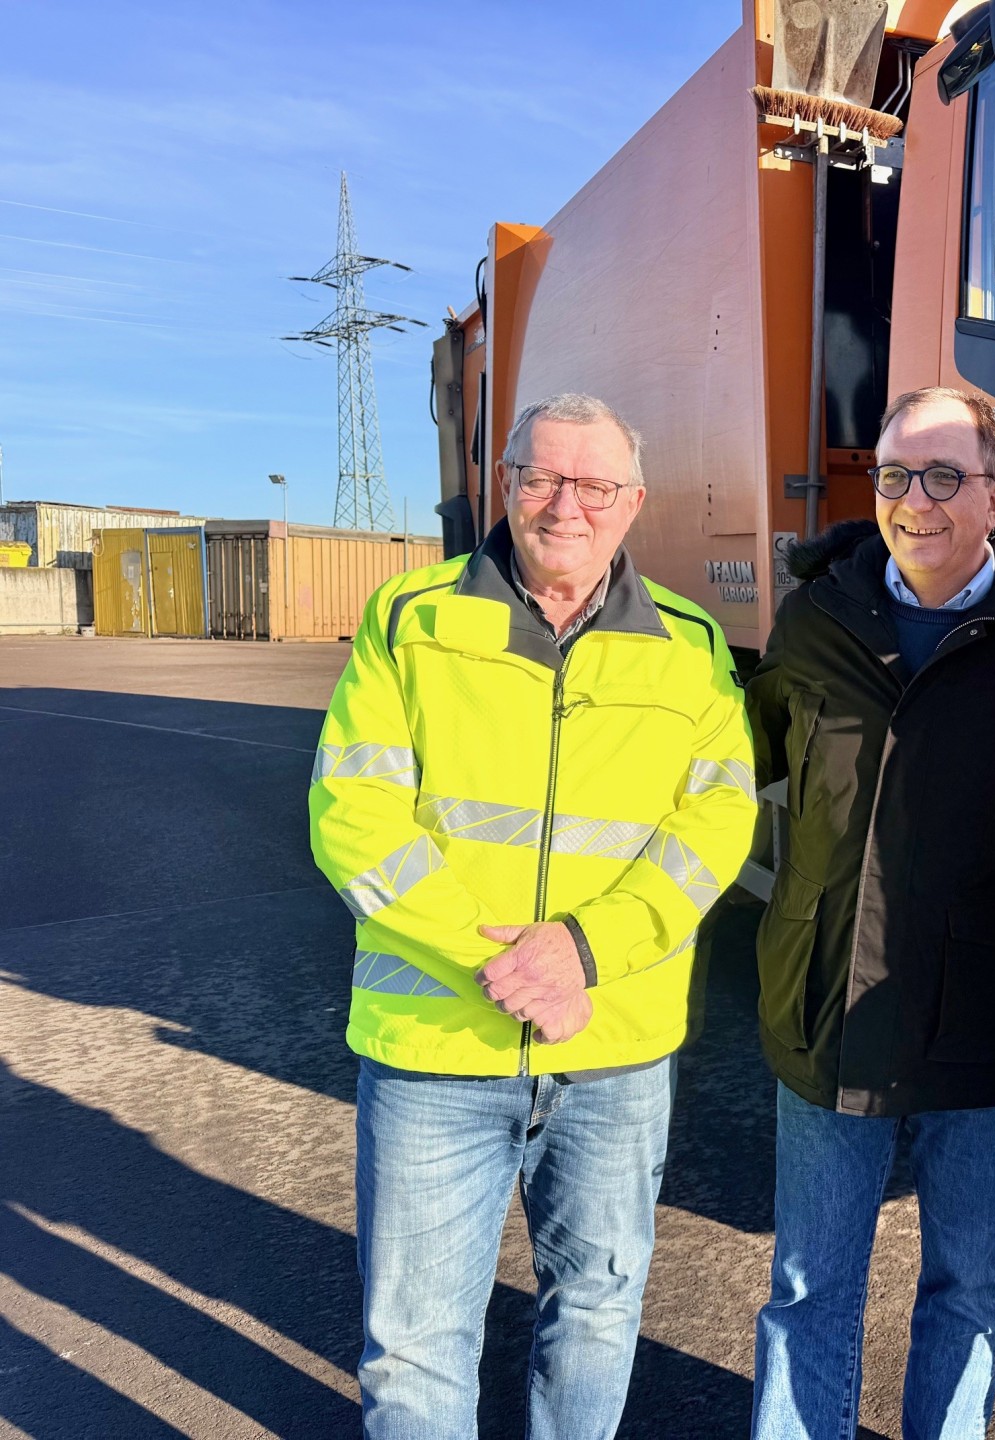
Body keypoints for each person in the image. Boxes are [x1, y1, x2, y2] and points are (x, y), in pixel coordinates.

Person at [309, 393, 757, 1440]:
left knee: (598, 1317)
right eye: (540, 478)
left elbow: (718, 825)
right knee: (416, 1348)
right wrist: (501, 960)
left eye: (594, 485)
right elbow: (352, 816)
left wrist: (587, 952)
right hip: (434, 1049)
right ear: (504, 485)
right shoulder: (410, 621)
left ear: (632, 502)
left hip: (616, 1054)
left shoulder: (691, 648)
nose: (567, 505)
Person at [746, 387, 995, 1440]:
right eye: (897, 475)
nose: (916, 502)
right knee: (810, 1288)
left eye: (945, 477)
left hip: (984, 1021)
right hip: (829, 1011)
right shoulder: (817, 617)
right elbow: (731, 763)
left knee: (969, 1289)